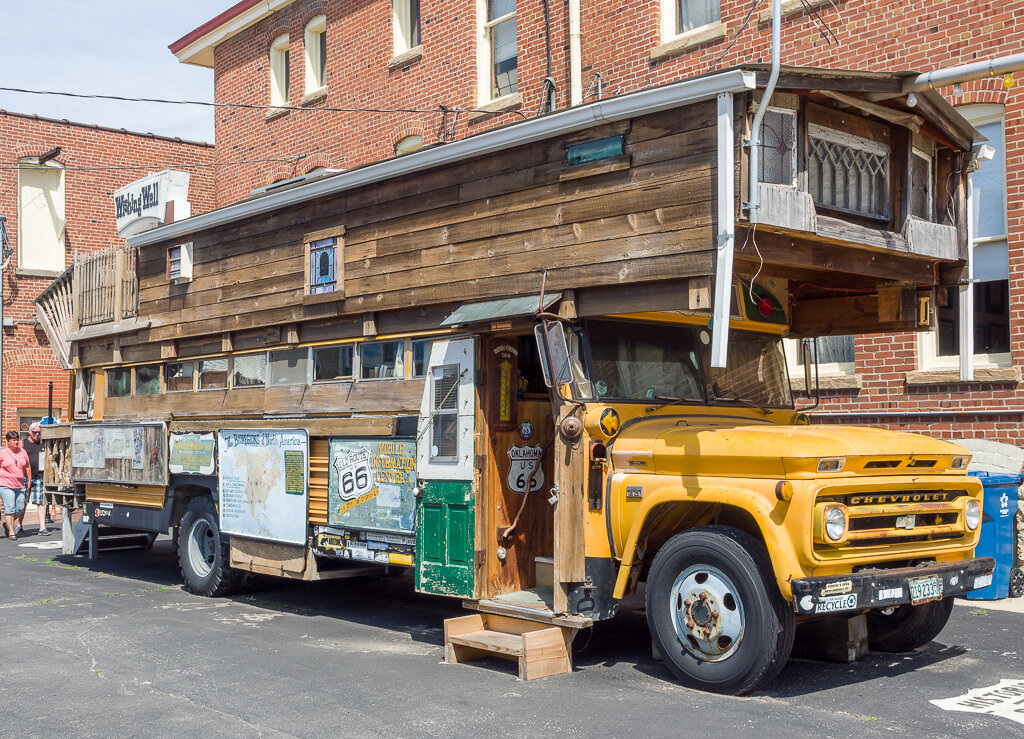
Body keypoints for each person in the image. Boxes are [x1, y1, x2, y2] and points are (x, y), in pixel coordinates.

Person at [20, 423, 50, 535]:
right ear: (29, 432)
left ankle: (42, 527)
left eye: (39, 432)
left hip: (39, 476)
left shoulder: (43, 443)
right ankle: (19, 525)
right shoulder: (23, 443)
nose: (37, 434)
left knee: (41, 502)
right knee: (23, 502)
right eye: (34, 432)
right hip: (25, 477)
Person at [0, 431, 30, 540]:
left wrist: (29, 480)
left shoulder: (22, 452)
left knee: (20, 508)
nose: (16, 442)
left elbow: (27, 466)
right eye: (13, 440)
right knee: (10, 508)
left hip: (20, 484)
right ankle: (11, 532)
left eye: (17, 439)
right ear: (8, 442)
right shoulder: (2, 453)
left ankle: (7, 524)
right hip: (5, 484)